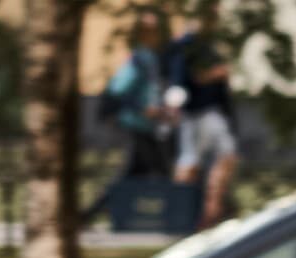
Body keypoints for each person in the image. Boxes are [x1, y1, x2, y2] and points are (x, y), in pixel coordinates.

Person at [82, 10, 170, 225]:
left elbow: (151, 92)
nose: (154, 35)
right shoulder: (139, 59)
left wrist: (160, 110)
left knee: (135, 174)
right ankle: (174, 216)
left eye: (156, 30)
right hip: (135, 124)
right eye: (149, 30)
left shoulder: (151, 58)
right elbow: (118, 90)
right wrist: (142, 109)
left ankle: (104, 215)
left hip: (146, 126)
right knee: (157, 171)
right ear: (141, 34)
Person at [166, 8, 238, 229]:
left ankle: (210, 212)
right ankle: (179, 214)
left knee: (226, 155)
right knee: (189, 163)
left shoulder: (209, 46)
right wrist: (213, 75)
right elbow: (181, 82)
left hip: (212, 113)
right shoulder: (187, 47)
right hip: (195, 113)